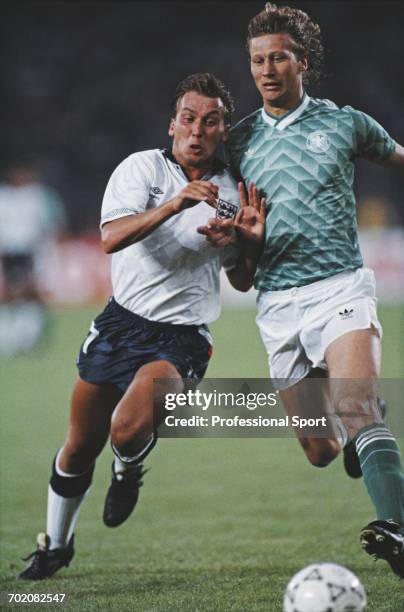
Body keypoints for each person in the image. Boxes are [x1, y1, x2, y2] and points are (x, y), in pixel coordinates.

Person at [18, 72, 265, 581]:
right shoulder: (141, 170)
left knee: (126, 429)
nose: (198, 130)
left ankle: (128, 468)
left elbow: (240, 280)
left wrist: (245, 243)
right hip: (119, 323)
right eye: (189, 118)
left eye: (211, 121)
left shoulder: (233, 194)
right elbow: (111, 238)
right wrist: (175, 203)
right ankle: (55, 546)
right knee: (78, 447)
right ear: (173, 124)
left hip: (182, 337)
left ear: (224, 130)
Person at [201, 3, 404, 577]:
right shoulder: (236, 146)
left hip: (340, 286)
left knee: (355, 405)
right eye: (257, 61)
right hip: (277, 304)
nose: (266, 70)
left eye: (278, 58)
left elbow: (397, 159)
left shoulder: (346, 124)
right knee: (322, 450)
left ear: (302, 63)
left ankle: (398, 527)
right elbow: (239, 268)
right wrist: (239, 244)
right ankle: (352, 409)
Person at [0, 163, 66, 356]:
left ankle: (28, 335)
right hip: (11, 250)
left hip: (33, 249)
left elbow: (53, 223)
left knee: (32, 291)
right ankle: (12, 335)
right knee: (13, 292)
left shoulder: (38, 195)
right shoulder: (7, 197)